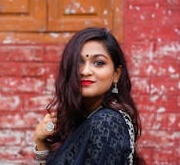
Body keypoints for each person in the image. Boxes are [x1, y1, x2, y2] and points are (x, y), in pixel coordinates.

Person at [33, 27, 145, 165]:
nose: (85, 71)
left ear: (116, 74)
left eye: (98, 63)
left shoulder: (106, 122)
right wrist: (40, 143)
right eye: (79, 63)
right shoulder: (85, 119)